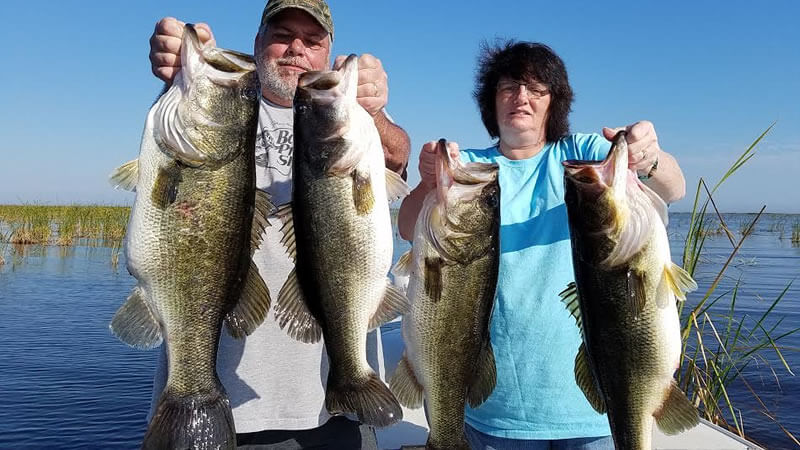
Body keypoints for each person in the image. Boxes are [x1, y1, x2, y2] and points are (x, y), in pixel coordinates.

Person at [398, 41, 686, 449]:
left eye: (537, 89)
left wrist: (651, 157)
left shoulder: (582, 159)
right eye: (509, 87)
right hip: (497, 412)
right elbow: (409, 226)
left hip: (595, 406)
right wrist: (430, 182)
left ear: (555, 104)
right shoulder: (470, 172)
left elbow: (673, 187)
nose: (521, 99)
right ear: (490, 101)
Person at [147, 1, 410, 448]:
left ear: (328, 54)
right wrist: (181, 64)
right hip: (217, 402)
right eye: (282, 34)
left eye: (312, 41)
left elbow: (397, 154)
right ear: (256, 43)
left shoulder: (347, 119)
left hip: (331, 402)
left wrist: (376, 112)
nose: (295, 49)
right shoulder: (219, 101)